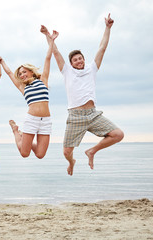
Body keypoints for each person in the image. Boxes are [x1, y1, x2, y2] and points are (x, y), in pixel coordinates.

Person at [43, 14, 124, 176]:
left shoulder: (92, 69)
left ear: (84, 59)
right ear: (71, 63)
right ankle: (71, 162)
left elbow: (102, 48)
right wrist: (49, 37)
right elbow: (56, 53)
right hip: (75, 116)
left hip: (93, 114)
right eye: (75, 60)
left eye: (80, 58)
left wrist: (107, 28)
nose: (79, 61)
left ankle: (92, 151)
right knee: (66, 152)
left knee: (118, 134)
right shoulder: (67, 71)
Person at [0, 27, 58, 159]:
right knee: (24, 153)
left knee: (40, 155)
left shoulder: (43, 80)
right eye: (20, 74)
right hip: (31, 120)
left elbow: (48, 59)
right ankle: (16, 131)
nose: (22, 75)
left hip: (46, 121)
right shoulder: (23, 87)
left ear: (31, 71)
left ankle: (24, 136)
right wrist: (2, 63)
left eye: (24, 71)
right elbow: (9, 73)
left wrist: (51, 40)